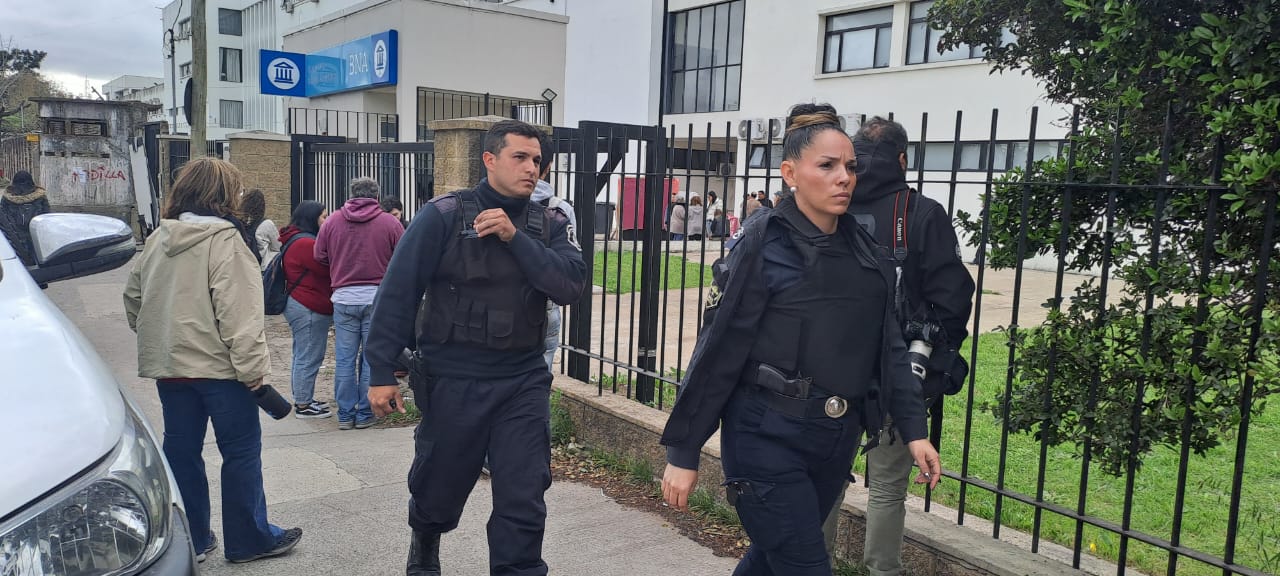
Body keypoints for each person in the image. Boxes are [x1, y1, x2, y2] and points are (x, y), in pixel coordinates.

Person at [658, 104, 941, 576]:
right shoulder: (763, 245)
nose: (844, 178)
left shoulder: (868, 251)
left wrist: (913, 430)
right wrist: (683, 452)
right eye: (827, 166)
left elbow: (889, 347)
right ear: (790, 172)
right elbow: (719, 348)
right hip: (766, 438)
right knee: (805, 565)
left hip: (833, 440)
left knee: (772, 560)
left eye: (850, 166)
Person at [363, 120, 587, 576]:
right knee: (439, 484)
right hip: (453, 377)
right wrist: (381, 371)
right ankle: (424, 542)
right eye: (519, 157)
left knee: (524, 493)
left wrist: (514, 237)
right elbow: (398, 292)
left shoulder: (550, 224)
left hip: (521, 379)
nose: (531, 168)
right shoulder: (443, 215)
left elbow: (569, 285)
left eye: (537, 161)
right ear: (489, 160)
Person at [123, 157, 303, 564]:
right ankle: (249, 540)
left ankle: (194, 539)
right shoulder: (225, 241)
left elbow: (134, 298)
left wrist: (163, 337)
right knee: (240, 452)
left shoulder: (157, 239)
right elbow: (240, 315)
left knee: (181, 451)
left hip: (171, 368)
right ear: (224, 195)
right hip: (223, 372)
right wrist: (254, 375)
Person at [842, 116, 976, 576]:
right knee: (886, 487)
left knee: (823, 478)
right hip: (900, 370)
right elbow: (953, 297)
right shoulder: (921, 212)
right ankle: (883, 570)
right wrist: (933, 361)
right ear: (902, 159)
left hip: (827, 367)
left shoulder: (828, 200)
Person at [315, 176, 404, 430]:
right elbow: (403, 254)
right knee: (370, 358)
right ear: (376, 196)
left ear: (351, 194)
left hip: (343, 296)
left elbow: (319, 255)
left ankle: (345, 413)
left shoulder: (332, 221)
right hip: (377, 298)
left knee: (344, 358)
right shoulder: (389, 222)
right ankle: (365, 413)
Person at [280, 201, 335, 419]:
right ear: (311, 218)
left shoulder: (294, 238)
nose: (326, 220)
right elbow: (327, 267)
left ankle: (304, 398)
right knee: (309, 355)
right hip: (308, 305)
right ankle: (303, 404)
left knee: (302, 353)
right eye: (323, 216)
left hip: (300, 303)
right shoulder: (305, 243)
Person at [530, 133, 579, 371]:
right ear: (548, 167)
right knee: (539, 379)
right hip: (546, 304)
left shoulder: (487, 203)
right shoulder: (559, 209)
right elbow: (569, 263)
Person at [0, 170, 51, 266]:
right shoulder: (40, 196)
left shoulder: (7, 198)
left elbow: (3, 220)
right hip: (37, 239)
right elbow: (47, 217)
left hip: (14, 241)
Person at [241, 188, 280, 270]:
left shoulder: (242, 223)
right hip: (263, 268)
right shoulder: (267, 224)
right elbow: (278, 246)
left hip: (247, 266)